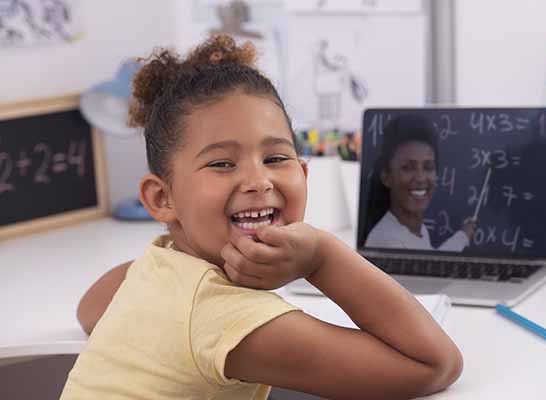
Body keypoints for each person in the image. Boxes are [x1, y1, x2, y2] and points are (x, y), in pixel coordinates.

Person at [61, 35, 462, 400]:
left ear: (303, 174)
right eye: (221, 163)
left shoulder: (164, 264)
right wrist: (321, 257)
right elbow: (435, 365)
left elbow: (90, 307)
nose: (258, 181)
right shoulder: (225, 317)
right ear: (162, 197)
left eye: (275, 158)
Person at [364, 115, 476, 251]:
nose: (421, 178)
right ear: (386, 177)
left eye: (428, 167)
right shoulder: (388, 242)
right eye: (408, 167)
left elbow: (433, 261)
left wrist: (463, 235)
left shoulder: (417, 229)